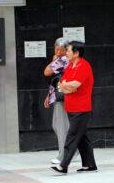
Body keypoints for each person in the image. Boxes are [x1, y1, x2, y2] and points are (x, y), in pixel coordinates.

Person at [51, 41, 97, 174]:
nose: (66, 53)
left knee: (72, 135)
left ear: (76, 53)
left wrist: (68, 86)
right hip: (71, 107)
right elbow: (61, 84)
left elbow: (75, 85)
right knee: (82, 136)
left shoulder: (84, 66)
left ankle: (63, 165)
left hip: (81, 108)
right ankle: (90, 165)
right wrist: (67, 86)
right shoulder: (71, 66)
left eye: (68, 51)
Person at [43, 37, 78, 165]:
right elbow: (55, 78)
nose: (57, 52)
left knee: (61, 126)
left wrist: (54, 60)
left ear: (66, 50)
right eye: (56, 49)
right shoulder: (66, 59)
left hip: (62, 96)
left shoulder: (62, 60)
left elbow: (46, 72)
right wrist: (49, 95)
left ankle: (63, 155)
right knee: (58, 125)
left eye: (60, 50)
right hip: (60, 94)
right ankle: (74, 150)